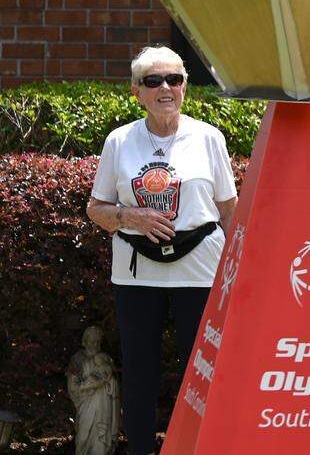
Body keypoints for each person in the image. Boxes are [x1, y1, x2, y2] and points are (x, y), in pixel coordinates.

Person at [86, 46, 237, 455]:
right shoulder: (120, 141)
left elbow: (229, 210)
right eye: (153, 81)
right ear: (137, 91)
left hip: (201, 270)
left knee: (201, 369)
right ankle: (139, 448)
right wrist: (129, 217)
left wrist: (240, 269)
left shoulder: (209, 138)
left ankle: (200, 447)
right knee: (140, 370)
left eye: (174, 79)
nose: (165, 88)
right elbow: (95, 208)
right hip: (136, 273)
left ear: (185, 86)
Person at [67, 325, 120, 455]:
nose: (95, 344)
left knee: (101, 439)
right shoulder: (77, 360)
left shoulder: (106, 359)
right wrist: (89, 385)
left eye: (97, 341)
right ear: (85, 341)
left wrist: (108, 382)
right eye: (92, 341)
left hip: (104, 404)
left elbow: (113, 381)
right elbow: (72, 386)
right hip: (85, 404)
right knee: (83, 436)